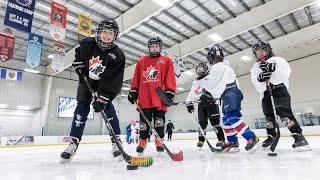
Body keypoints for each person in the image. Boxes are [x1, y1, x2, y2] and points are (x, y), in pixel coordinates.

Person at [60, 19, 126, 163]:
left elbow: (113, 78)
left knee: (109, 110)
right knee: (80, 111)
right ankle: (73, 143)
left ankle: (116, 142)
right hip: (86, 83)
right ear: (99, 32)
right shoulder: (87, 43)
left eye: (110, 33)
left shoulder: (118, 55)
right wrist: (78, 63)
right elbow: (79, 55)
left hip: (104, 86)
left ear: (115, 36)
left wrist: (102, 97)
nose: (107, 36)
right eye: (104, 32)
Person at [250, 41, 310, 151]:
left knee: (285, 114)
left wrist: (274, 70)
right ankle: (271, 136)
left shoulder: (278, 60)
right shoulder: (255, 67)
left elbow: (285, 74)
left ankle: (299, 136)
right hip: (265, 94)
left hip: (279, 90)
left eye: (262, 50)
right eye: (257, 52)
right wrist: (260, 79)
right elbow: (255, 82)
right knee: (269, 117)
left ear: (268, 50)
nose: (260, 53)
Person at [204, 45, 260, 153]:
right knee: (226, 120)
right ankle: (232, 142)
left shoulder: (216, 67)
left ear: (210, 58)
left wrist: (205, 93)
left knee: (232, 117)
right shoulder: (226, 66)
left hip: (230, 94)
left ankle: (251, 138)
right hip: (230, 94)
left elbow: (212, 84)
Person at [128, 37, 176, 153]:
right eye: (152, 46)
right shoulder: (142, 60)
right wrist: (133, 90)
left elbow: (170, 77)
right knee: (144, 122)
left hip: (159, 97)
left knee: (159, 121)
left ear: (160, 47)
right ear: (149, 47)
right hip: (145, 96)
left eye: (156, 46)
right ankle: (143, 141)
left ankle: (159, 140)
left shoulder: (166, 60)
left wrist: (170, 92)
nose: (154, 48)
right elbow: (137, 77)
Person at [186, 62, 225, 148]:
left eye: (201, 67)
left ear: (206, 69)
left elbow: (216, 88)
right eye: (198, 68)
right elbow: (192, 94)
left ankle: (221, 139)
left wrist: (209, 95)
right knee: (201, 124)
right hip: (201, 105)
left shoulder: (210, 78)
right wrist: (189, 102)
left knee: (215, 123)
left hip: (211, 104)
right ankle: (201, 140)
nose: (199, 69)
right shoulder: (195, 82)